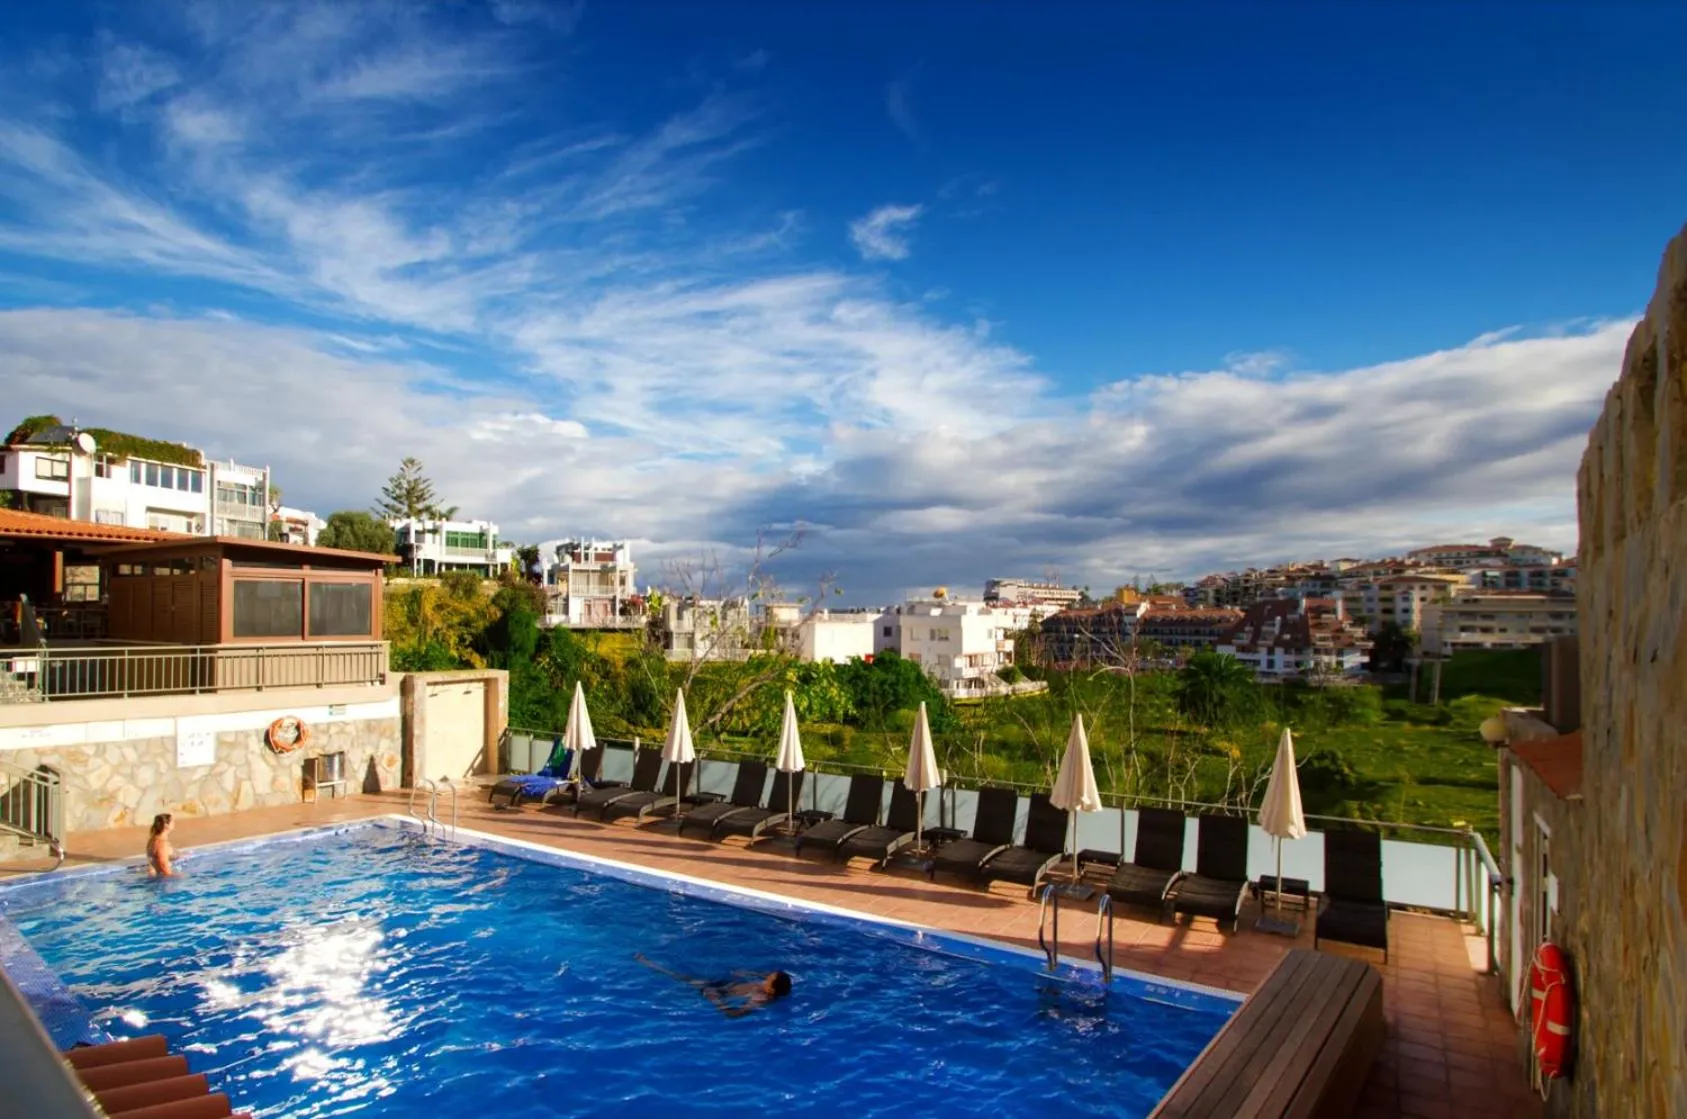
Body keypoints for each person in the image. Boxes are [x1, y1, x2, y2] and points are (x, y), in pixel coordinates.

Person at [634, 952, 791, 1018]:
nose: (765, 978)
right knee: (686, 977)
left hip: (717, 992)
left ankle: (650, 965)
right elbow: (764, 976)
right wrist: (748, 973)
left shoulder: (760, 999)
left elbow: (732, 1014)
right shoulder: (769, 987)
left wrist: (715, 1000)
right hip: (727, 984)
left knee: (681, 978)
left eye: (768, 979)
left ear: (771, 988)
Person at [146, 813, 177, 877]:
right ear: (166, 825)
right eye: (172, 821)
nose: (174, 823)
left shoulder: (154, 838)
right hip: (163, 880)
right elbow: (163, 866)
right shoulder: (161, 843)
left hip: (157, 877)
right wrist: (176, 877)